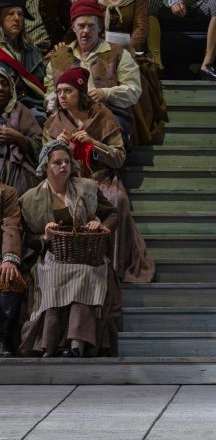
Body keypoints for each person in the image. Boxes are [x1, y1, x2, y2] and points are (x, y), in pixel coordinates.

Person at [43, 67, 154, 284]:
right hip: (69, 183)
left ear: (81, 93)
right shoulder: (53, 123)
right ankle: (79, 266)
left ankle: (113, 268)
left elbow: (119, 157)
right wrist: (58, 147)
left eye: (68, 91)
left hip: (101, 178)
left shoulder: (101, 115)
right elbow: (44, 163)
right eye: (59, 92)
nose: (62, 96)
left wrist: (94, 143)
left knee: (116, 199)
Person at [18, 140, 118, 357]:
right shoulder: (30, 199)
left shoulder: (86, 188)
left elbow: (113, 214)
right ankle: (52, 343)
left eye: (67, 162)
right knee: (53, 275)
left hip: (87, 255)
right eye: (57, 163)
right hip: (54, 256)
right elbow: (28, 239)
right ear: (46, 167)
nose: (63, 166)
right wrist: (45, 235)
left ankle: (76, 344)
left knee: (85, 274)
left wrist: (101, 225)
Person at [85, 0, 166, 146]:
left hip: (128, 51)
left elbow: (141, 25)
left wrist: (128, 47)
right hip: (99, 51)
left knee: (140, 76)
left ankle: (136, 131)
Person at [45, 0, 142, 141]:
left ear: (100, 28)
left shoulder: (118, 53)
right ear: (73, 27)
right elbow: (48, 95)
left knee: (107, 131)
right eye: (81, 26)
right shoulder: (58, 58)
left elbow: (134, 91)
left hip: (109, 114)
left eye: (91, 26)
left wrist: (106, 93)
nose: (86, 31)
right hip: (68, 116)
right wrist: (57, 101)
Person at [0, 0, 46, 118]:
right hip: (6, 111)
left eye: (20, 14)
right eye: (10, 13)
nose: (17, 18)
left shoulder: (32, 51)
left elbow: (43, 83)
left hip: (34, 110)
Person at [0, 64, 42, 195]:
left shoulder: (22, 111)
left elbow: (40, 148)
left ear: (11, 89)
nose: (0, 88)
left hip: (19, 172)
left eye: (4, 84)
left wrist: (18, 138)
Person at [0, 183, 24, 357]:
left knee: (9, 277)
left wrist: (9, 258)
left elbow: (11, 226)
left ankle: (3, 339)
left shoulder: (6, 192)